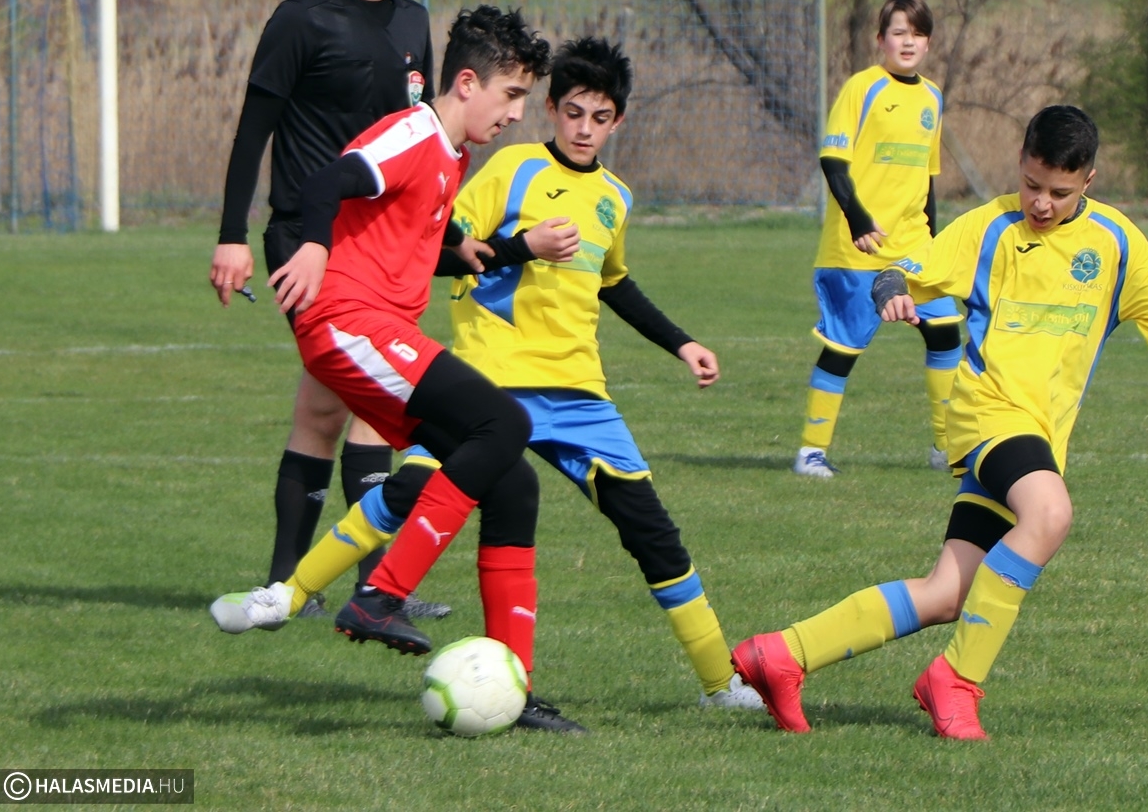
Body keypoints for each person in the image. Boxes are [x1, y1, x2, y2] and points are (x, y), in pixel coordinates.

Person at [214, 38, 762, 718]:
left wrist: (681, 343)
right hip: (492, 376)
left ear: (618, 121)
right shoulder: (509, 167)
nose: (584, 128)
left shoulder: (615, 197)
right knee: (407, 492)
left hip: (580, 395)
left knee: (652, 532)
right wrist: (518, 247)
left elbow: (613, 282)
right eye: (572, 112)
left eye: (600, 118)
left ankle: (719, 685)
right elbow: (444, 248)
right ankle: (292, 596)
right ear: (553, 110)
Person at [733, 105, 1148, 739]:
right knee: (1049, 514)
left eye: (1059, 192)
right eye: (1032, 185)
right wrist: (892, 292)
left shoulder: (1116, 243)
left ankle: (781, 655)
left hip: (1038, 435)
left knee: (948, 593)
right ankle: (955, 681)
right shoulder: (989, 227)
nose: (1041, 203)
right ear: (1021, 164)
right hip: (988, 414)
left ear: (1088, 180)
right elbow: (900, 270)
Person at [211, 8, 582, 733]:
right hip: (348, 323)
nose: (516, 114)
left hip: (376, 329)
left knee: (513, 481)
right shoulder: (413, 132)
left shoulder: (449, 154)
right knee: (503, 422)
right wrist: (313, 246)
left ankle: (515, 687)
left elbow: (411, 245)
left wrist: (479, 249)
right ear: (467, 82)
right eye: (510, 95)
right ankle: (380, 594)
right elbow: (327, 182)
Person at [208, 0, 447, 618]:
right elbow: (252, 133)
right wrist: (232, 237)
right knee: (362, 399)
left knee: (336, 409)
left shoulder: (414, 23)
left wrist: (444, 238)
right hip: (302, 239)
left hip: (381, 243)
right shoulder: (302, 19)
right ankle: (363, 588)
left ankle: (311, 586)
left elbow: (422, 141)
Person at [794, 0, 963, 480]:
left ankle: (946, 447)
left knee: (945, 332)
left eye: (918, 33)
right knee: (843, 349)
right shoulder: (862, 88)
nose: (908, 42)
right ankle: (811, 452)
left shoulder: (932, 98)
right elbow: (833, 161)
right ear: (880, 40)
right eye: (898, 32)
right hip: (858, 248)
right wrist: (858, 219)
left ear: (928, 42)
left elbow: (927, 178)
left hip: (913, 247)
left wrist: (934, 243)